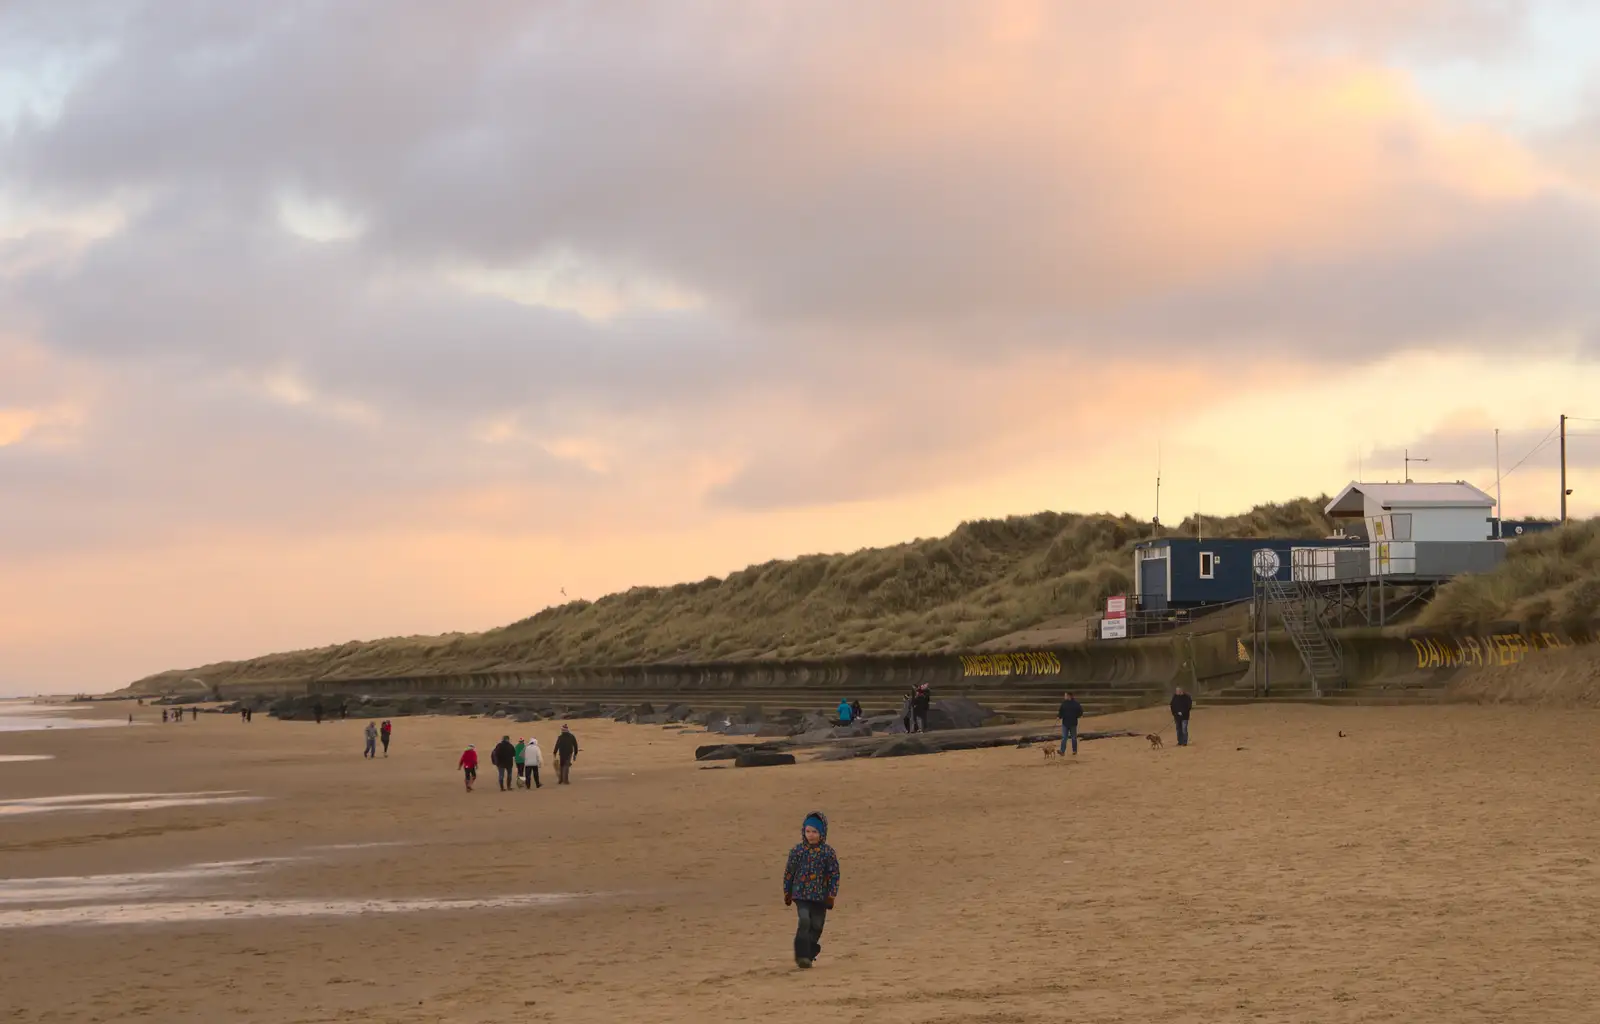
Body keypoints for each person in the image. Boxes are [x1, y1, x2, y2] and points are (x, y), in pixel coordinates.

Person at [782, 811, 841, 970]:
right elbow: (789, 872)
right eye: (808, 831)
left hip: (820, 897)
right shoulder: (797, 851)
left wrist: (831, 895)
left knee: (816, 925)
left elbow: (834, 875)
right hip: (800, 894)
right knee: (804, 921)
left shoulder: (828, 853)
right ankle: (801, 955)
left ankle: (809, 953)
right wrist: (787, 892)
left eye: (815, 832)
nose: (811, 835)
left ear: (822, 833)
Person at [1056, 691, 1084, 755]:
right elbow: (1061, 711)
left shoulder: (1076, 704)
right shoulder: (1064, 703)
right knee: (1064, 737)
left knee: (1073, 738)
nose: (1064, 697)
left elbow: (1080, 711)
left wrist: (1077, 716)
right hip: (1065, 723)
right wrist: (1058, 716)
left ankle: (1074, 750)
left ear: (1069, 696)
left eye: (1065, 695)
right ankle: (1062, 751)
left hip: (1073, 723)